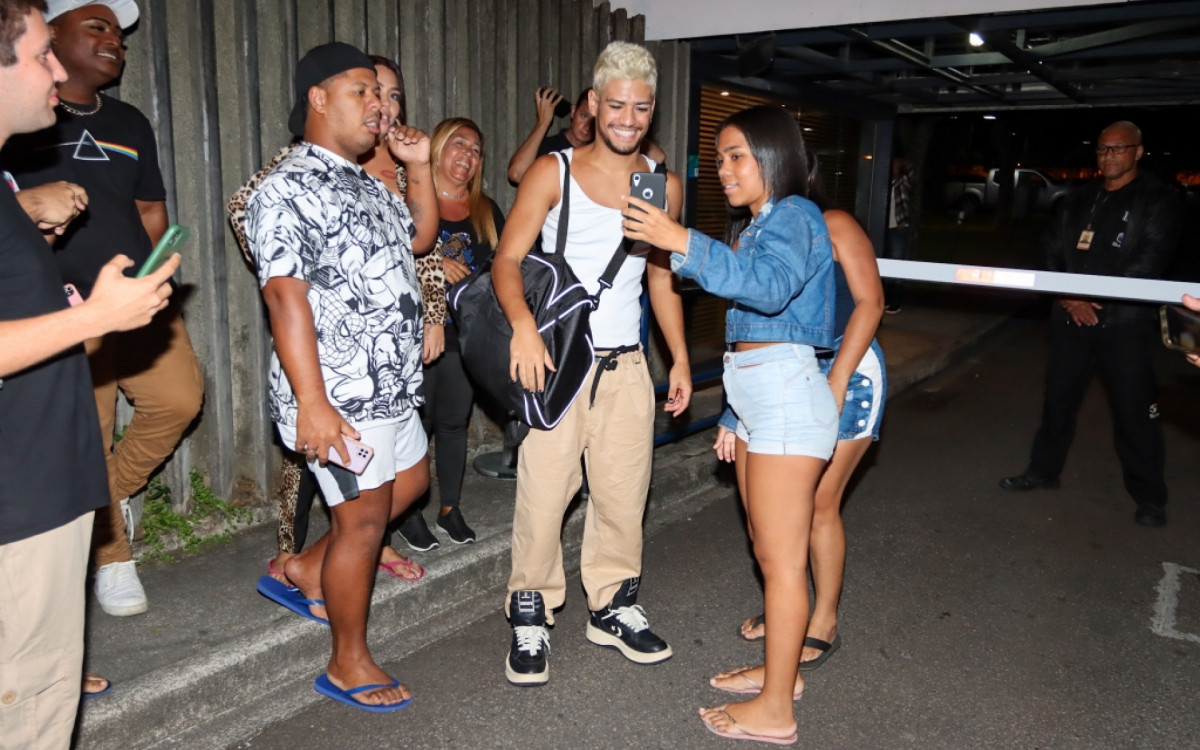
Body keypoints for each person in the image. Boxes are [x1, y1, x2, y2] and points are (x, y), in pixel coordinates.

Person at [623, 104, 837, 745]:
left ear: (774, 156)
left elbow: (768, 292)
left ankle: (776, 710)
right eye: (718, 158)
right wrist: (736, 414)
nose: (723, 170)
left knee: (780, 562)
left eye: (737, 155)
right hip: (762, 403)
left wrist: (680, 239)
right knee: (767, 552)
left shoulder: (797, 215)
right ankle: (781, 678)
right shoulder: (758, 224)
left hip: (788, 402)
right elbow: (749, 325)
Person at [0, 0, 179, 741]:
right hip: (21, 504)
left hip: (40, 489)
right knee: (29, 705)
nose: (56, 70)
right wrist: (92, 317)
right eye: (42, 53)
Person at [492, 41, 691, 687]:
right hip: (557, 362)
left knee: (622, 496)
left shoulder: (663, 187)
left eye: (641, 106)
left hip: (628, 367)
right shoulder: (554, 171)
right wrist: (523, 327)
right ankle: (531, 610)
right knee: (544, 497)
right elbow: (506, 261)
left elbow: (660, 280)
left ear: (651, 110)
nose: (628, 117)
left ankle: (612, 606)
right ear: (593, 104)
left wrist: (680, 360)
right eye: (616, 104)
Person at [246, 41, 433, 712]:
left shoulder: (365, 179)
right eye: (364, 92)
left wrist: (417, 169)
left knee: (411, 481)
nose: (380, 107)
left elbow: (417, 239)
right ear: (317, 100)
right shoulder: (288, 185)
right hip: (340, 394)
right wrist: (312, 404)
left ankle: (302, 569)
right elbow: (284, 295)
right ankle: (348, 662)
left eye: (383, 95)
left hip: (389, 386)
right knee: (362, 521)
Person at [730, 149, 886, 680]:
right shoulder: (756, 235)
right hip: (782, 380)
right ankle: (788, 610)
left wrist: (837, 379)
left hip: (847, 372)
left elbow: (871, 301)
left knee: (819, 504)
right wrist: (734, 413)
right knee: (772, 521)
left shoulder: (833, 223)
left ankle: (824, 619)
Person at [999, 121, 1181, 528]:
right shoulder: (1076, 200)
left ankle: (1149, 497)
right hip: (1069, 320)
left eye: (1118, 149)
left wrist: (1090, 298)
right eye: (1102, 149)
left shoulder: (1159, 200)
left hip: (1125, 325)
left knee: (1135, 413)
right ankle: (1043, 471)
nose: (1108, 156)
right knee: (1058, 403)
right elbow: (1048, 251)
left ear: (1138, 152)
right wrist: (1068, 298)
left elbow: (1150, 262)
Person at [396, 117, 505, 548]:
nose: (468, 155)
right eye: (460, 144)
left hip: (468, 333)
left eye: (476, 149)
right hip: (418, 330)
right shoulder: (412, 200)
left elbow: (502, 264)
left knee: (454, 422)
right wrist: (434, 265)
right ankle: (407, 510)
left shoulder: (486, 209)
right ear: (439, 148)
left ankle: (450, 508)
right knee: (415, 423)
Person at [506, 86, 593, 184]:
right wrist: (542, 123)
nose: (587, 126)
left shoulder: (599, 157)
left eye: (595, 121)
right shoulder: (548, 148)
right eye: (584, 116)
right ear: (573, 111)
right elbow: (516, 174)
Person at [881, 156, 912, 313]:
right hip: (885, 227)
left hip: (899, 227)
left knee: (897, 263)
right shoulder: (884, 185)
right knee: (886, 261)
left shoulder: (902, 182)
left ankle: (896, 301)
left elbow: (911, 173)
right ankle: (887, 298)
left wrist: (902, 167)